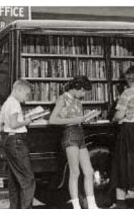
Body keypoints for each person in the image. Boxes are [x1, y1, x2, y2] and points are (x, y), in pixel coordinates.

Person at [49, 75, 98, 209]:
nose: (83, 95)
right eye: (83, 91)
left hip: (80, 134)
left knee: (89, 171)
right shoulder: (62, 99)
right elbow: (52, 120)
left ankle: (92, 205)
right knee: (75, 172)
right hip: (69, 134)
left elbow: (77, 118)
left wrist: (84, 119)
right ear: (77, 88)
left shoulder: (77, 101)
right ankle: (76, 207)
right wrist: (74, 120)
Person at [0, 79, 37, 209]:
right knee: (27, 179)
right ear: (18, 90)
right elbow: (13, 124)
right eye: (26, 94)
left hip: (9, 141)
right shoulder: (15, 103)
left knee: (14, 180)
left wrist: (8, 127)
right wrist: (26, 121)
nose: (27, 98)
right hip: (18, 142)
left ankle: (14, 208)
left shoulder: (6, 104)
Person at [111, 66, 134, 209]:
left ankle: (120, 202)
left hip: (130, 132)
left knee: (122, 165)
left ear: (129, 78)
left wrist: (114, 118)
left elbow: (119, 115)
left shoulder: (128, 93)